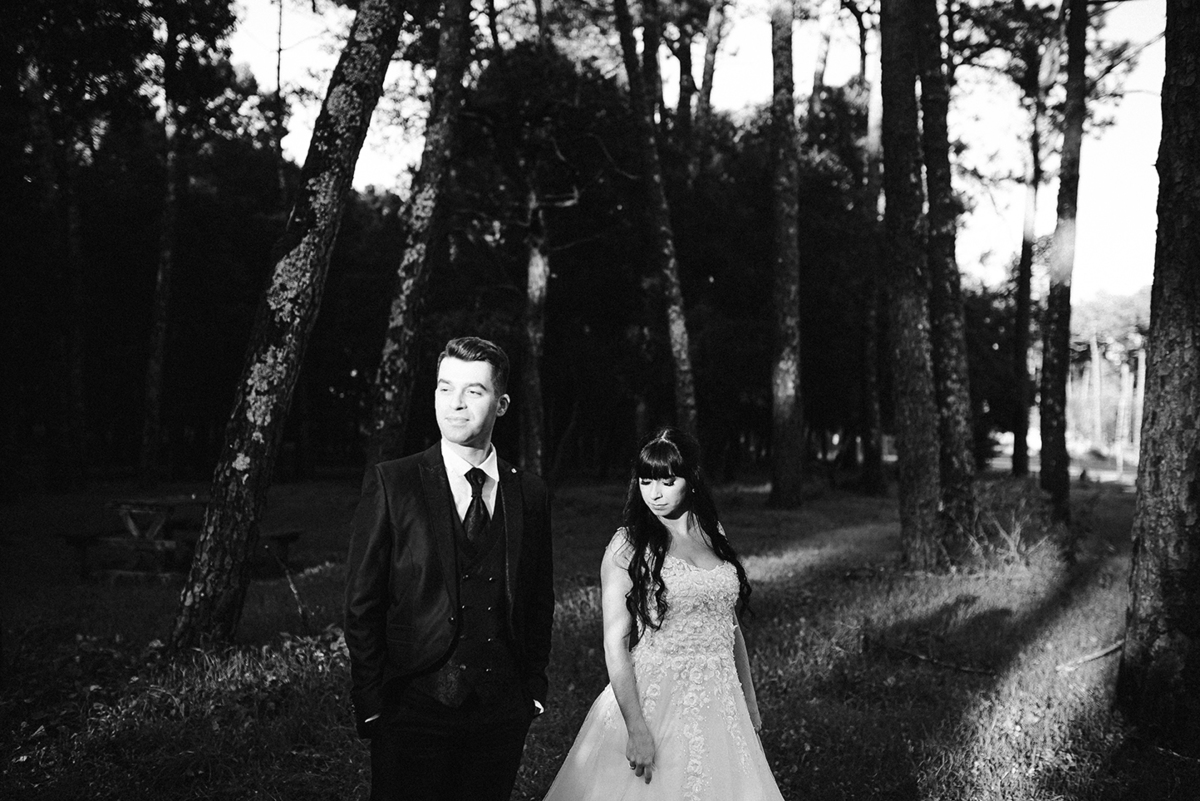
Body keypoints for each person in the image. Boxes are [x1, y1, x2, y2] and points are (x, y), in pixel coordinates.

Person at [344, 336, 554, 801]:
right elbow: (362, 602)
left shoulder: (530, 493)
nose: (455, 403)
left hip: (501, 711)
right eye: (445, 388)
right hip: (411, 706)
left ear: (501, 405)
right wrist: (373, 701)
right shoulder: (394, 482)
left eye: (473, 391)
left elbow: (540, 599)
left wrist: (532, 689)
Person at [542, 427, 784, 801]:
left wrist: (749, 701)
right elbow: (615, 643)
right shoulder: (628, 544)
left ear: (691, 479)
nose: (655, 493)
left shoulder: (713, 533)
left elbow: (730, 626)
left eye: (667, 482)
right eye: (646, 481)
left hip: (721, 700)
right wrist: (636, 728)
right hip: (656, 698)